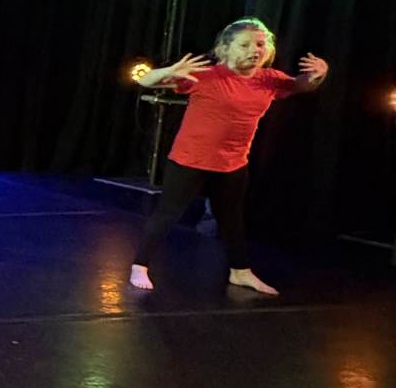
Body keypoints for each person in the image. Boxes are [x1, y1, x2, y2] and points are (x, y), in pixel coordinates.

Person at [130, 18, 328, 295]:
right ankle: (140, 265)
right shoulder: (207, 75)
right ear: (225, 49)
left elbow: (301, 85)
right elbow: (145, 81)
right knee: (168, 214)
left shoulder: (268, 79)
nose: (255, 50)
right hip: (190, 160)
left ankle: (240, 271)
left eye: (260, 44)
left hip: (233, 163)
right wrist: (168, 71)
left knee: (232, 219)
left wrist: (319, 73)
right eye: (245, 45)